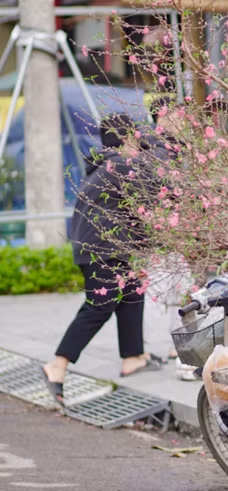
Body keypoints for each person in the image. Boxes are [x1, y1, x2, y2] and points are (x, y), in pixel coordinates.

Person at [41, 115, 165, 405]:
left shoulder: (107, 163)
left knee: (133, 291)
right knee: (100, 305)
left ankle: (133, 357)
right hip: (103, 248)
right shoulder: (123, 164)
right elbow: (156, 193)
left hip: (109, 245)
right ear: (130, 137)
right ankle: (57, 366)